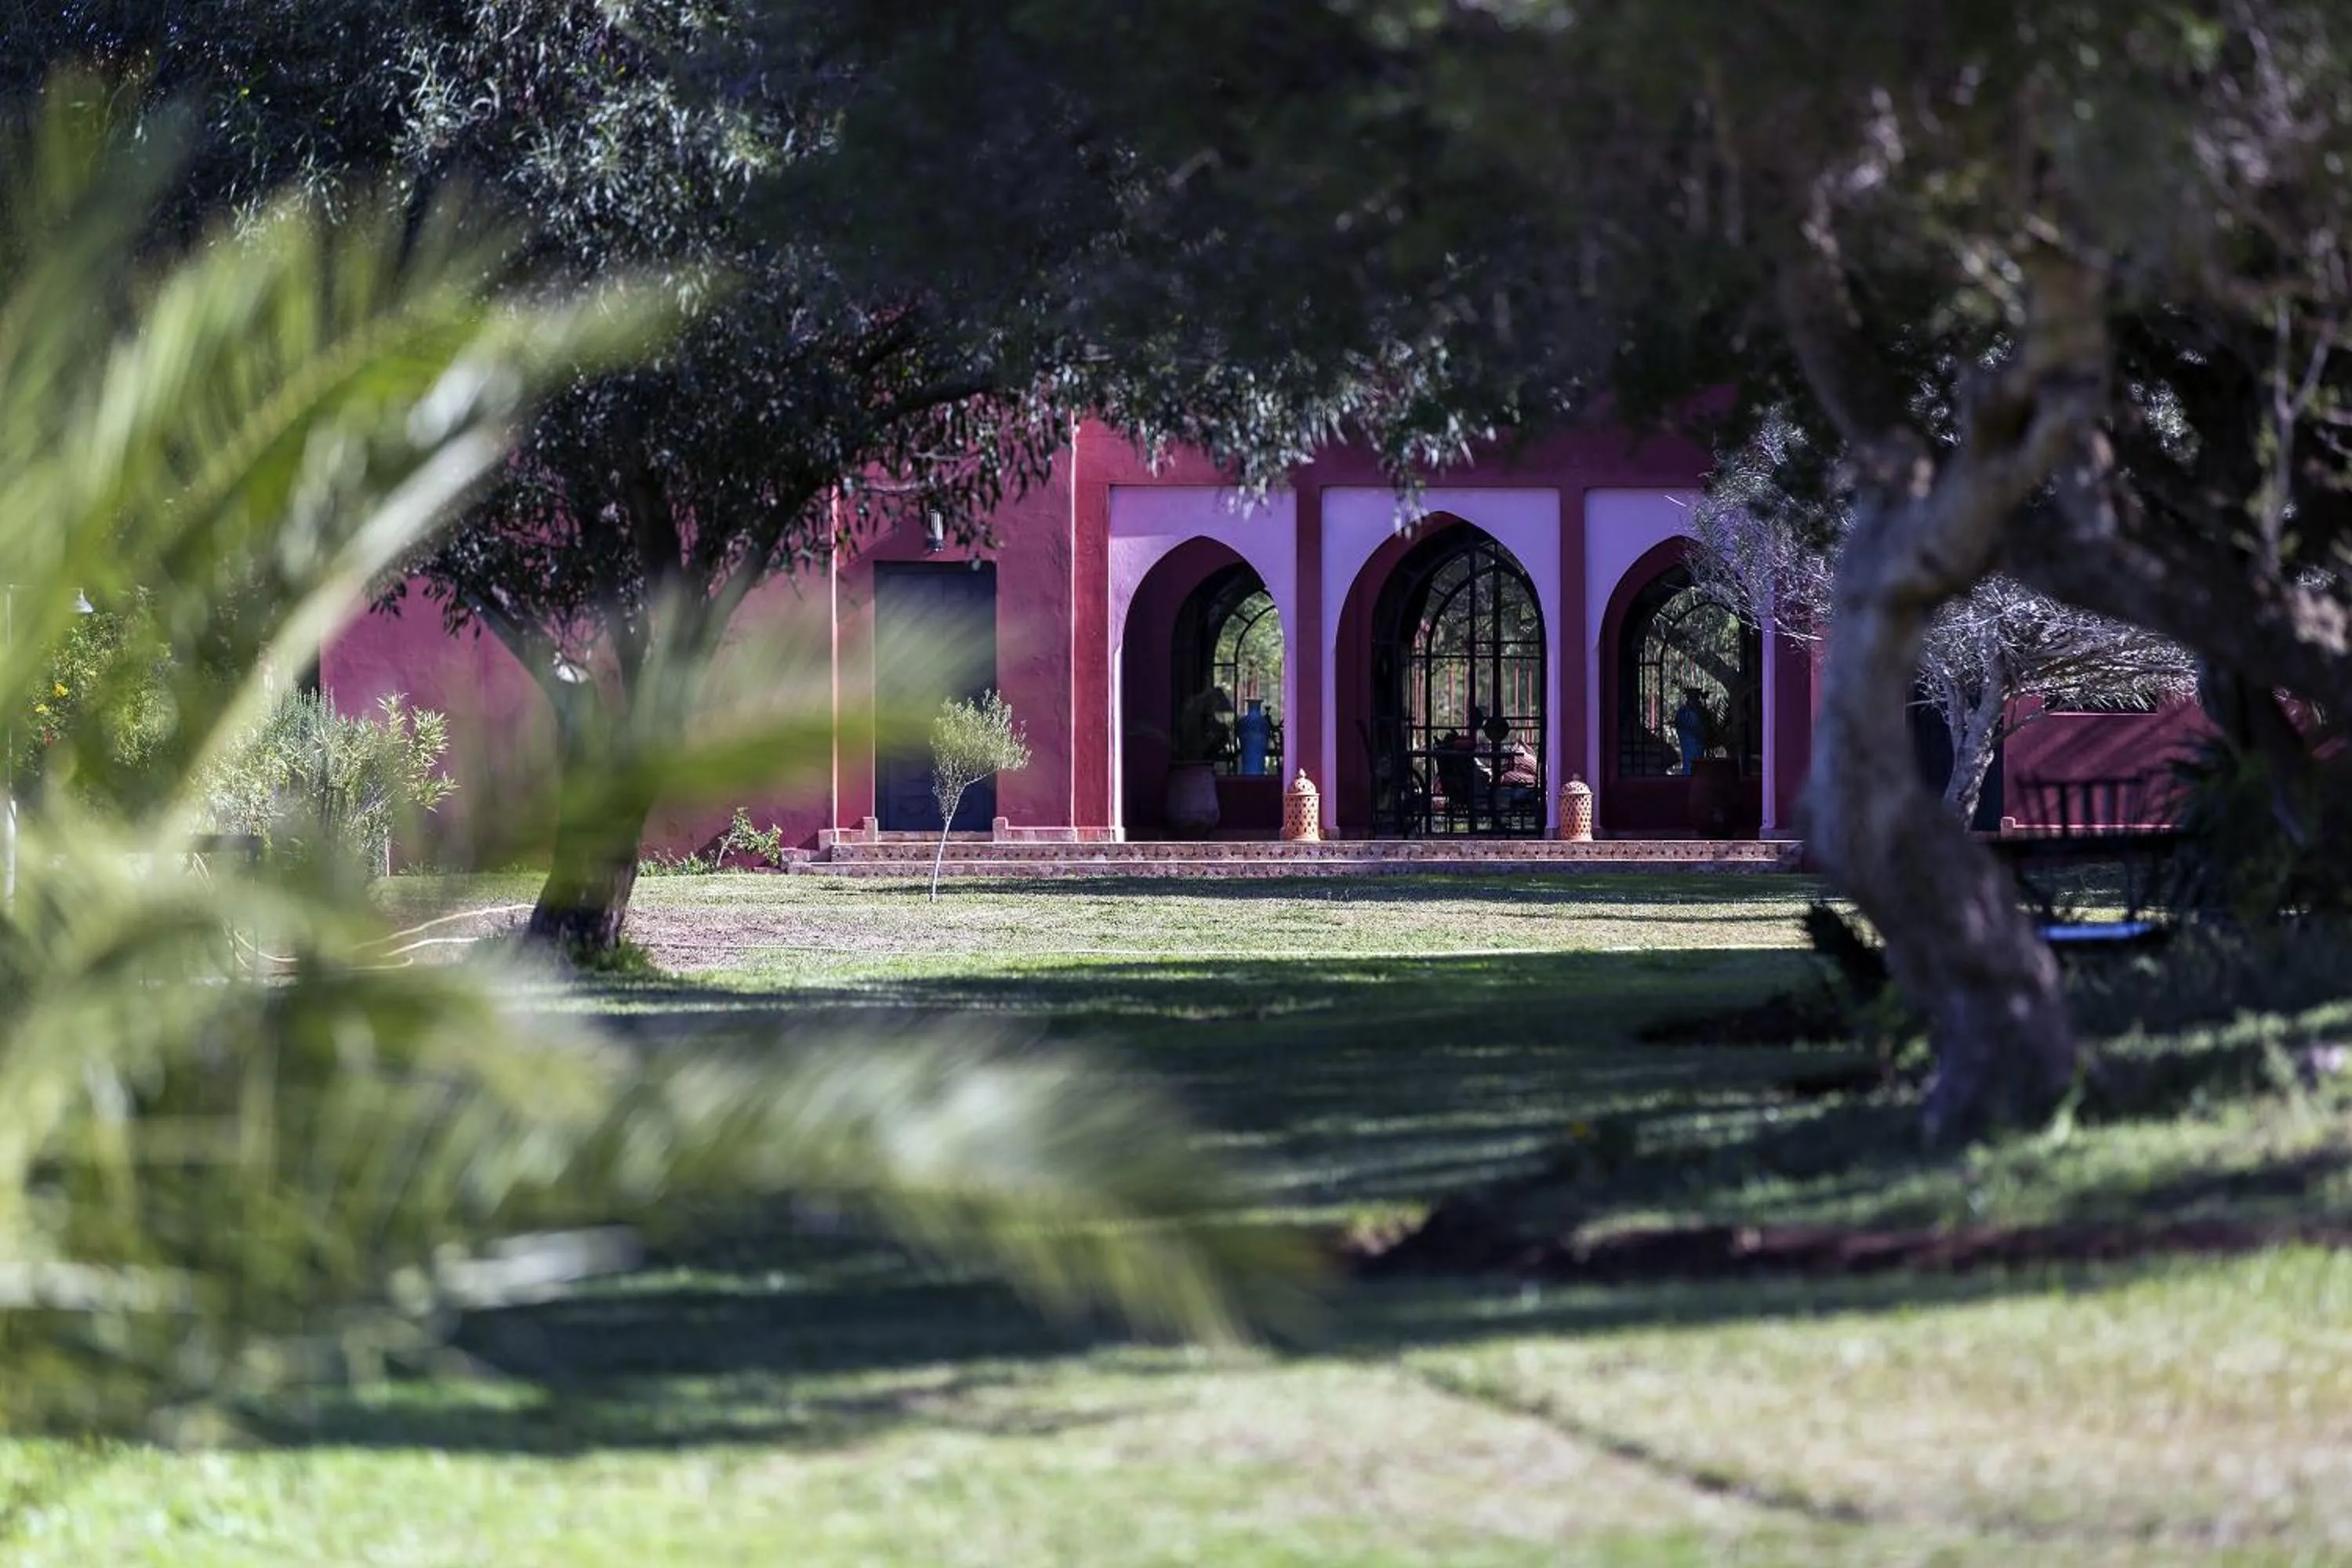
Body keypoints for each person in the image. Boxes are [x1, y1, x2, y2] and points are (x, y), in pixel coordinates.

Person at [1673, 688, 1710, 775]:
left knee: (1698, 761)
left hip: (1698, 741)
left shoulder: (1700, 710)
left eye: (1696, 697)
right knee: (1689, 761)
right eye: (1692, 696)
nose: (1694, 698)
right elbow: (1679, 724)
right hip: (1688, 740)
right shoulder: (1683, 711)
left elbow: (1706, 724)